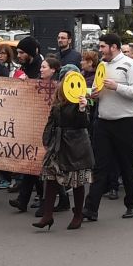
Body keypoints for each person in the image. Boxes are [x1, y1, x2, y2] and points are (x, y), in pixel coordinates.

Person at [83, 32, 133, 222]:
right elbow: (96, 89)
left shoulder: (131, 65)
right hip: (103, 120)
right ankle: (90, 209)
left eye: (103, 46)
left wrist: (117, 87)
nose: (100, 50)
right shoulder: (102, 65)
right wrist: (91, 94)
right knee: (100, 166)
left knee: (126, 164)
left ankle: (132, 205)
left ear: (114, 47)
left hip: (126, 121)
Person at [34, 62, 95, 230]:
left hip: (76, 146)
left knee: (77, 182)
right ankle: (47, 216)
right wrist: (47, 140)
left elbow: (83, 124)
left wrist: (82, 109)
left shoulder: (79, 102)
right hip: (57, 145)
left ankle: (78, 215)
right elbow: (50, 123)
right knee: (51, 178)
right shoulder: (58, 101)